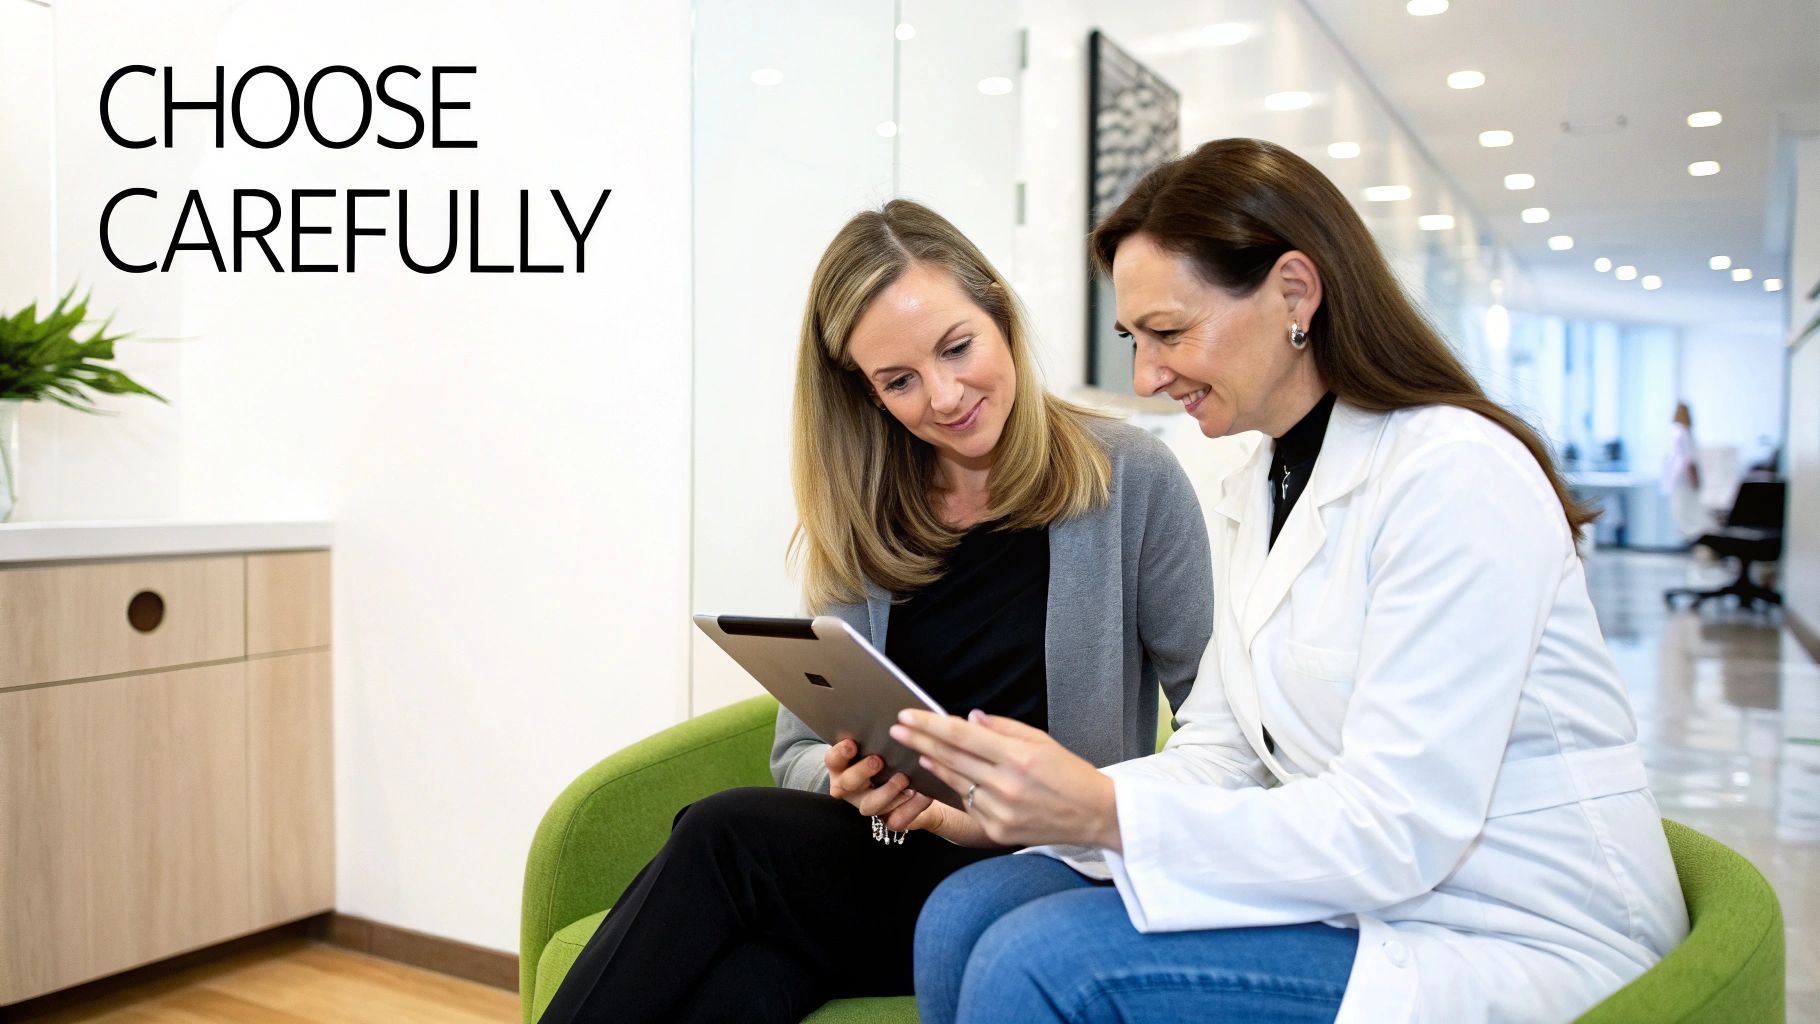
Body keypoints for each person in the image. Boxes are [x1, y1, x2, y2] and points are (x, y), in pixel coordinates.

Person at [895, 138, 1690, 1024]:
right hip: (1372, 894)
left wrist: (1105, 813)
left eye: (1168, 332)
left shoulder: (1456, 474)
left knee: (1040, 964)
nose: (1146, 376)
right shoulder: (1262, 482)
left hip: (1514, 928)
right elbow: (1226, 750)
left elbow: (1399, 827)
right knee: (963, 913)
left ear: (1295, 294)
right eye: (1134, 339)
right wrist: (1036, 809)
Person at [534, 199, 1214, 1023]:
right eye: (899, 381)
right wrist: (848, 780)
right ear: (868, 393)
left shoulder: (1129, 478)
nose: (945, 396)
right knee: (750, 977)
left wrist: (1099, 808)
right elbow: (795, 754)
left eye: (957, 348)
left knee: (723, 837)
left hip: (1048, 867)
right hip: (889, 856)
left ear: (1000, 315)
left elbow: (1218, 723)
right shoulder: (869, 510)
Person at [1661, 401, 1706, 542]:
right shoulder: (1682, 433)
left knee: (1684, 511)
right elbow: (1689, 460)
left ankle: (1691, 539)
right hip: (1683, 479)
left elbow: (1687, 459)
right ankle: (1692, 539)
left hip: (1680, 478)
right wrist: (1695, 479)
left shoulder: (1678, 432)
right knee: (1686, 511)